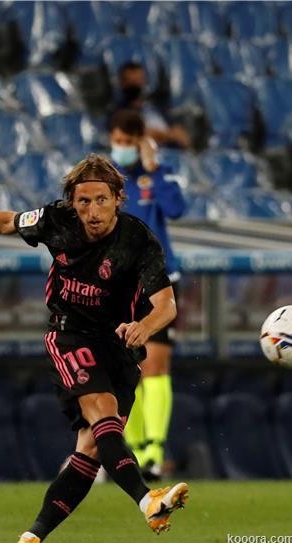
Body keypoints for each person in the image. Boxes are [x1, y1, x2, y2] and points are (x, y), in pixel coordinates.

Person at [0, 153, 189, 543]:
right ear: (72, 202)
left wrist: (145, 326)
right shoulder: (56, 220)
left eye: (101, 200)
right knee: (103, 413)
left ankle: (31, 538)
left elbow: (166, 304)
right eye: (83, 201)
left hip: (119, 345)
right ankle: (148, 501)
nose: (91, 211)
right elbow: (4, 220)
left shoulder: (137, 239)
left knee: (90, 450)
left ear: (119, 198)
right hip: (70, 335)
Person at [109, 108, 187, 479]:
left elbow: (176, 208)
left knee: (156, 363)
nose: (122, 148)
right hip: (118, 283)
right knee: (129, 367)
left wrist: (153, 169)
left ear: (140, 141)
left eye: (129, 142)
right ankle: (136, 451)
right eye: (118, 141)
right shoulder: (106, 179)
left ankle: (155, 451)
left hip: (158, 278)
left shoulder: (156, 174)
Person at [110, 61, 190, 149]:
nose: (135, 84)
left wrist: (164, 135)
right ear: (121, 83)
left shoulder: (156, 108)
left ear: (144, 81)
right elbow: (135, 136)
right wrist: (169, 135)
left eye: (138, 80)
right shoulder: (118, 111)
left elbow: (182, 136)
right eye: (130, 81)